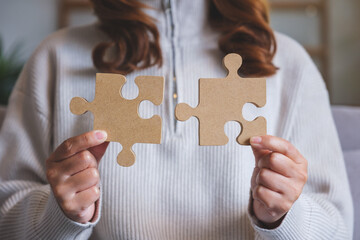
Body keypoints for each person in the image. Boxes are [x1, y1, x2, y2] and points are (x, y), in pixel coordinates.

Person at [0, 0, 354, 239]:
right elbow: (6, 211)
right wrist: (58, 216)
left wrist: (282, 218)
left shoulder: (288, 63)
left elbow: (338, 225)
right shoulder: (55, 58)